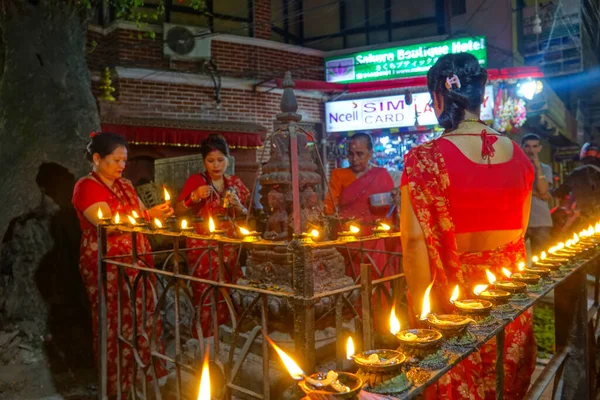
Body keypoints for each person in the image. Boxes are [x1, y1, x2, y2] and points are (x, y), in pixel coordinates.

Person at [401, 53, 536, 399]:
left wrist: (422, 315)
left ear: (440, 98)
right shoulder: (520, 157)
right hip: (509, 302)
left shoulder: (424, 160)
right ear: (482, 98)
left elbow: (415, 243)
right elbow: (520, 233)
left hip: (454, 308)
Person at [72, 132, 173, 396]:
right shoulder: (86, 186)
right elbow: (107, 223)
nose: (121, 166)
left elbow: (139, 216)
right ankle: (118, 384)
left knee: (145, 316)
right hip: (108, 263)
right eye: (116, 160)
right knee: (114, 321)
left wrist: (156, 215)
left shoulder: (126, 185)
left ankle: (145, 375)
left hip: (138, 259)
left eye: (124, 161)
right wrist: (146, 215)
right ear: (97, 159)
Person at [175, 134, 250, 336]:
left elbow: (246, 213)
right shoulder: (196, 181)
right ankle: (206, 338)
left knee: (231, 289)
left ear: (228, 159)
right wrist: (193, 197)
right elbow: (179, 210)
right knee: (206, 292)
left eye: (220, 160)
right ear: (203, 161)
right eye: (210, 161)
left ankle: (232, 335)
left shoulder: (234, 183)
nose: (216, 165)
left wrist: (238, 205)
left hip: (228, 245)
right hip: (202, 246)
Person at [324, 133, 395, 231]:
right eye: (351, 154)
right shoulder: (339, 175)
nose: (354, 159)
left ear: (370, 153)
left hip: (376, 232)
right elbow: (329, 206)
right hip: (348, 232)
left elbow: (392, 206)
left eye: (359, 154)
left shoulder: (381, 175)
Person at [554, 142, 600, 230]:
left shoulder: (577, 172)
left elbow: (560, 192)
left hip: (582, 219)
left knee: (563, 238)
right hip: (595, 219)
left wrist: (548, 191)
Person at [521, 134, 553, 253]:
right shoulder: (517, 168)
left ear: (539, 148)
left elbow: (543, 190)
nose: (531, 150)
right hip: (521, 221)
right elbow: (517, 190)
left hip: (541, 220)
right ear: (522, 147)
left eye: (535, 146)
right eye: (528, 146)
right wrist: (540, 195)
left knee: (542, 258)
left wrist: (538, 167)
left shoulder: (545, 168)